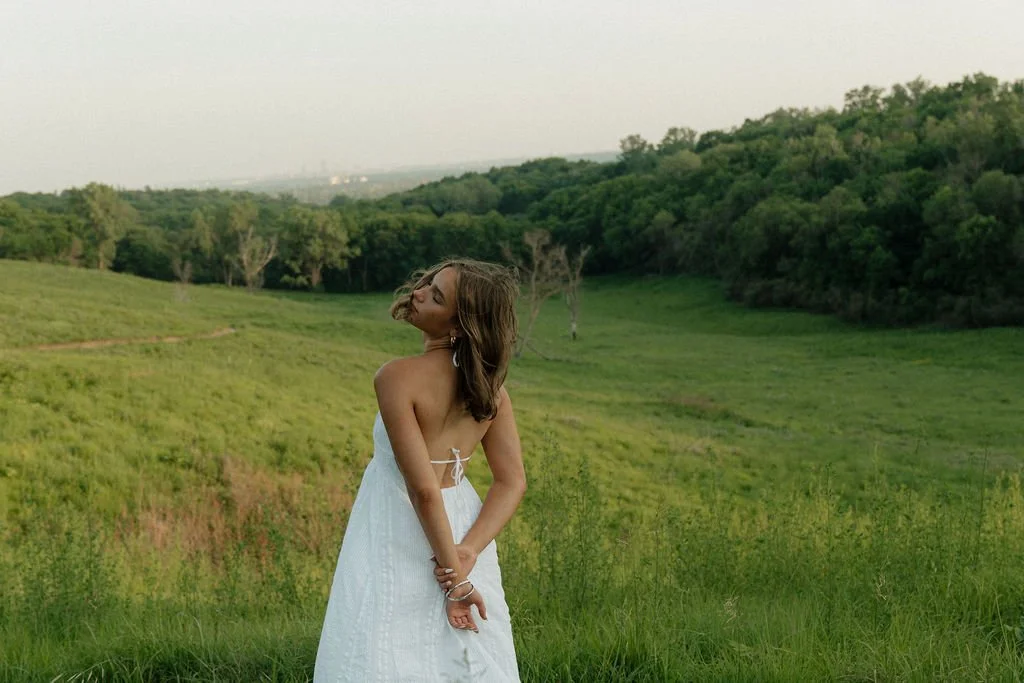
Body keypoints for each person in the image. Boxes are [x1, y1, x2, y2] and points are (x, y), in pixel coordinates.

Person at [313, 259, 527, 682]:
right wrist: (467, 552)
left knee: (385, 637)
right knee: (466, 652)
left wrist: (456, 583)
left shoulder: (396, 377)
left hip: (400, 522)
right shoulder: (491, 391)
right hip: (467, 526)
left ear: (459, 326)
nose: (418, 292)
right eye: (429, 283)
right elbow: (512, 481)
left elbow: (424, 491)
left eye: (436, 295)